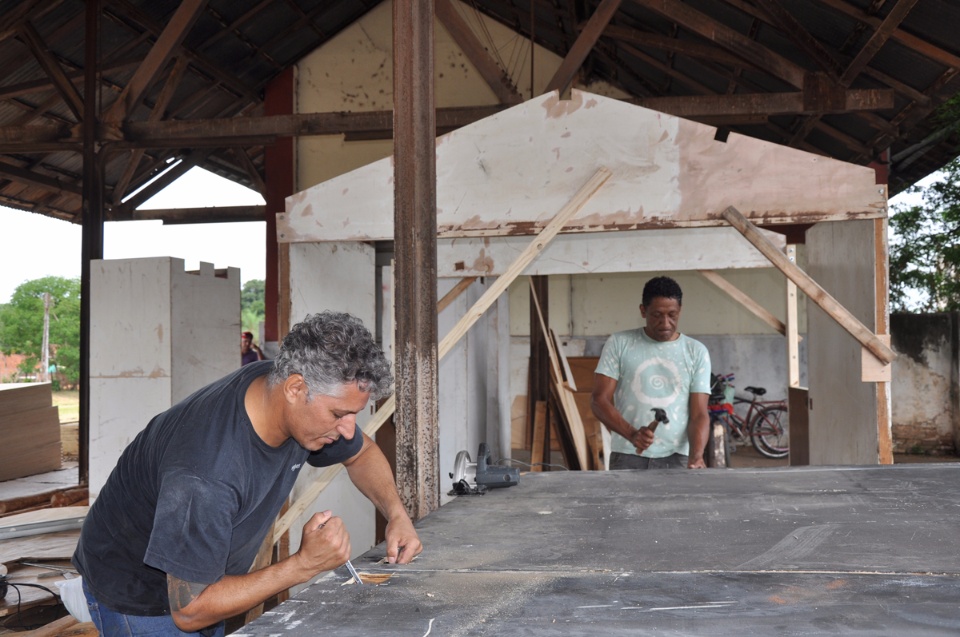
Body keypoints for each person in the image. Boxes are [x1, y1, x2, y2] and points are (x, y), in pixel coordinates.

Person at [74, 311, 423, 636]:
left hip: (208, 579)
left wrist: (396, 515)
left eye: (353, 414)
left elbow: (361, 453)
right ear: (295, 389)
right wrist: (304, 564)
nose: (349, 430)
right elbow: (190, 610)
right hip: (140, 591)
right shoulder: (206, 474)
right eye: (339, 414)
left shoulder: (281, 391)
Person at [591, 276, 711, 470]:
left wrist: (696, 456)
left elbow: (699, 414)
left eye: (672, 315)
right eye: (657, 315)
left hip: (678, 456)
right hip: (628, 454)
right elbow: (599, 400)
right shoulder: (620, 343)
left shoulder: (696, 351)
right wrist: (632, 434)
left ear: (680, 310)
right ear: (643, 310)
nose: (665, 323)